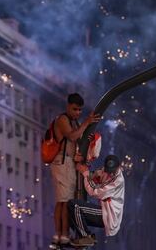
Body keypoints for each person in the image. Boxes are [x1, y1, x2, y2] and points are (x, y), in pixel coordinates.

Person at [50, 93, 100, 245]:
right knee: (64, 201)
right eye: (75, 109)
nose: (78, 113)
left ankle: (64, 235)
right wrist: (86, 122)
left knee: (66, 202)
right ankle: (61, 235)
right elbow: (72, 137)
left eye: (80, 110)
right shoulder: (63, 119)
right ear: (68, 106)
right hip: (62, 163)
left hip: (69, 163)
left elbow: (78, 139)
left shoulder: (74, 121)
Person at [68, 154, 125, 247]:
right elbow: (95, 175)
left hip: (108, 216)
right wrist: (86, 168)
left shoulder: (118, 181)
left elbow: (94, 192)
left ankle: (86, 237)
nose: (110, 174)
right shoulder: (105, 170)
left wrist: (85, 173)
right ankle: (76, 237)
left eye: (112, 171)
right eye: (108, 171)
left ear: (119, 167)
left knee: (75, 206)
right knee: (69, 210)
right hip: (105, 211)